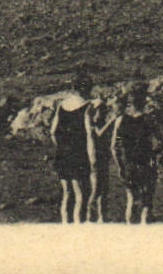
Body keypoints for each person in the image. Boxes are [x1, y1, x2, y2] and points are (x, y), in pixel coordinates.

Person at [111, 86, 163, 224]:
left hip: (128, 164)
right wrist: (153, 152)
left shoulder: (119, 120)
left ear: (129, 103)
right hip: (145, 163)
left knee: (131, 199)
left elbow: (113, 148)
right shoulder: (149, 120)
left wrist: (119, 165)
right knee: (147, 201)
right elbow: (161, 142)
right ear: (143, 102)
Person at [50, 72, 96, 224]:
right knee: (81, 194)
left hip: (63, 153)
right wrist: (92, 158)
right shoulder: (87, 107)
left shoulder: (62, 105)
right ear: (87, 89)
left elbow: (53, 132)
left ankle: (65, 225)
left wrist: (61, 146)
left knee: (66, 194)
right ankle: (78, 228)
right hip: (79, 154)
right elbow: (89, 134)